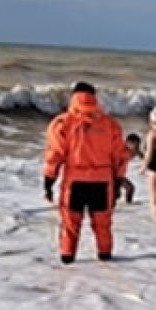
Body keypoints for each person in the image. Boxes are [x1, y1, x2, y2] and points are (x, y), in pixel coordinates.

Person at [43, 82, 128, 263]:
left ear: (73, 97)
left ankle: (68, 258)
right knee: (103, 224)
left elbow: (55, 154)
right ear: (94, 97)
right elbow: (120, 157)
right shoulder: (111, 125)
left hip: (75, 182)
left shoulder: (62, 123)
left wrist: (49, 180)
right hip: (103, 182)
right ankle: (105, 255)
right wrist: (119, 180)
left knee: (70, 224)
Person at [118, 133, 143, 204]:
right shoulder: (120, 151)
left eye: (138, 145)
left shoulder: (136, 151)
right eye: (135, 145)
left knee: (130, 189)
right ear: (127, 143)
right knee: (129, 189)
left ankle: (128, 205)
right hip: (112, 174)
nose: (137, 147)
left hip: (119, 175)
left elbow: (144, 158)